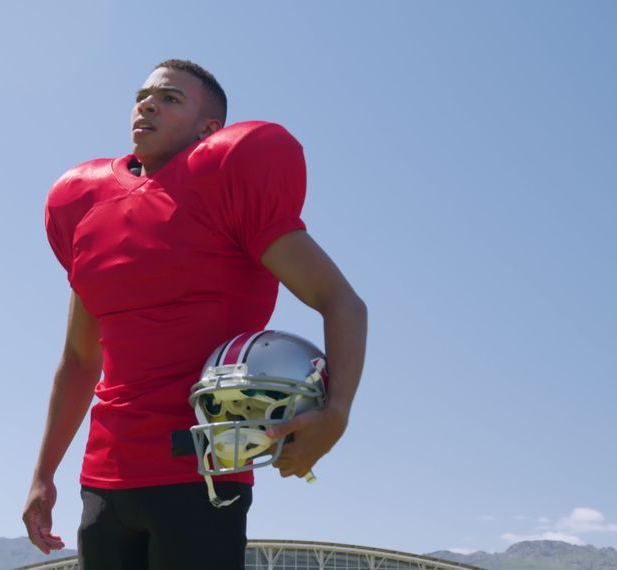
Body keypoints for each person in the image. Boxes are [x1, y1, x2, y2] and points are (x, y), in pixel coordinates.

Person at [22, 59, 368, 570]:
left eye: (170, 98)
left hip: (201, 473)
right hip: (104, 479)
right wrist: (44, 473)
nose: (147, 103)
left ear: (210, 128)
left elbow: (342, 303)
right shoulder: (87, 204)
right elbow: (78, 358)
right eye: (142, 95)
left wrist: (336, 414)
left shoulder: (227, 183)